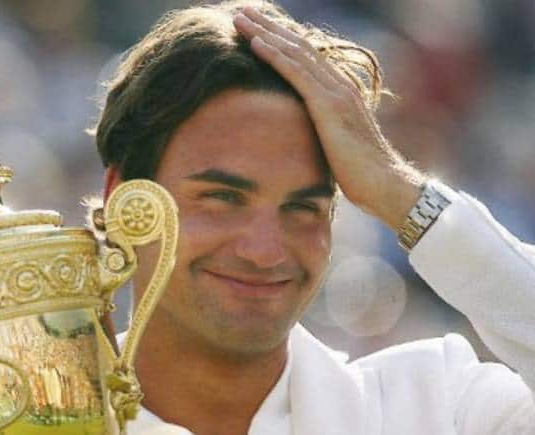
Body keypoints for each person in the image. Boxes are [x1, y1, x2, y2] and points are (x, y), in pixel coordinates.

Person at [89, 1, 535, 434]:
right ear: (121, 199)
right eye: (222, 197)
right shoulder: (30, 415)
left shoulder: (441, 405)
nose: (264, 251)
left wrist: (396, 189)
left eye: (302, 207)